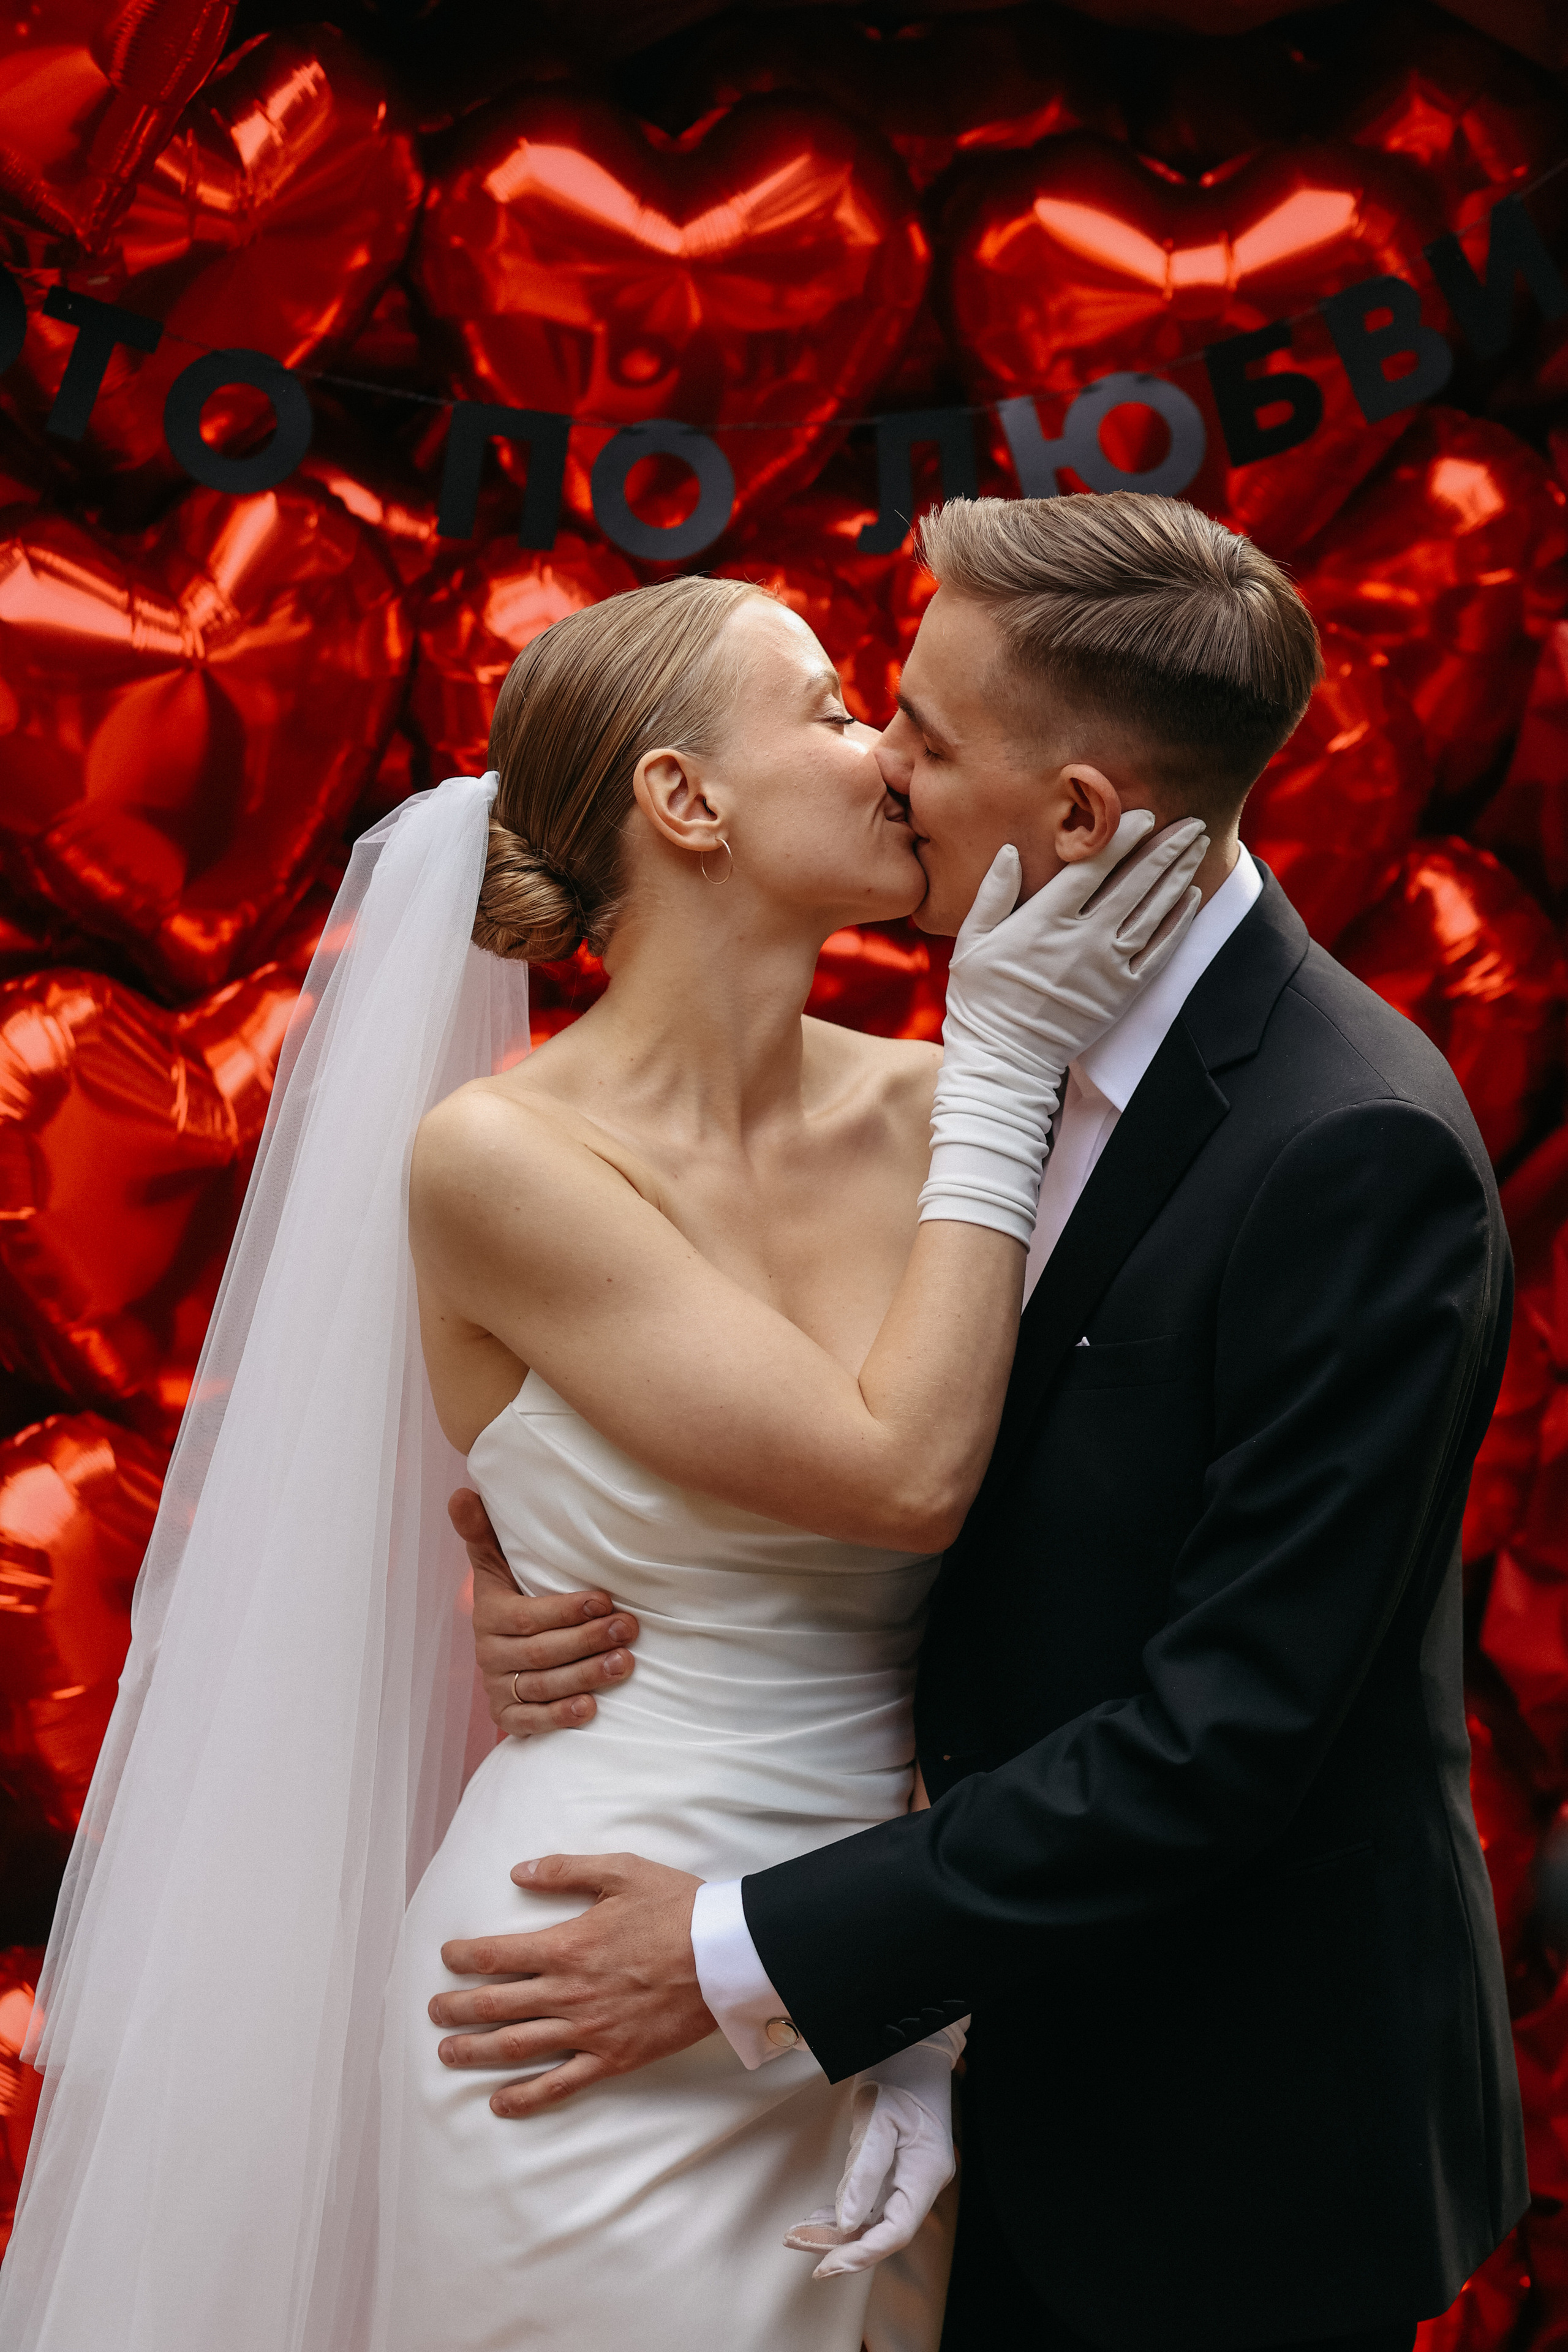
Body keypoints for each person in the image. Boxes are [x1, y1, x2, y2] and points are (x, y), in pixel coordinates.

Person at [0, 562, 1204, 2352]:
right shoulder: (502, 1162)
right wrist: (1011, 1063)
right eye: (831, 711)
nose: (891, 754)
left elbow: (1074, 1539)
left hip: (877, 1964)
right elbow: (898, 1479)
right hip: (570, 1987)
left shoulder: (948, 1111)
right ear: (684, 798)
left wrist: (930, 1999)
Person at [437, 493, 1527, 2352]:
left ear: (1082, 817)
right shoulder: (992, 1060)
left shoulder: (1351, 1148)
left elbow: (1220, 1739)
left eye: (925, 736)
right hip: (938, 2036)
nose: (885, 763)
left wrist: (745, 1955)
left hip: (1207, 2142)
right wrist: (550, 1535)